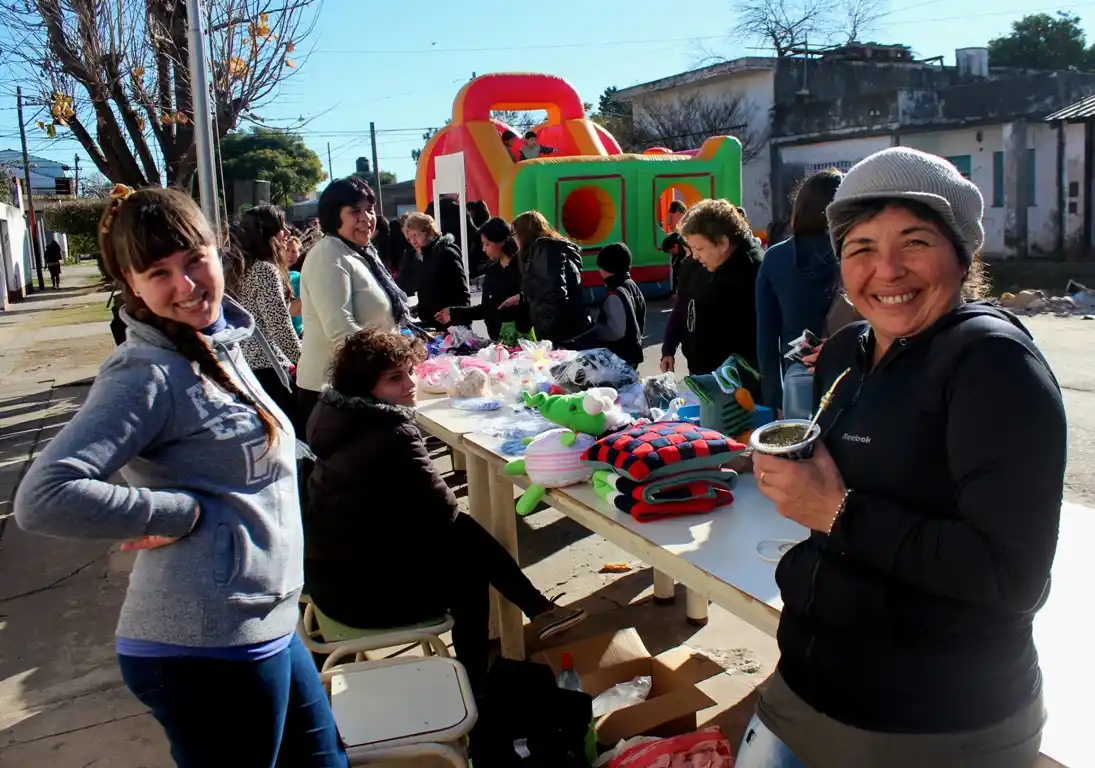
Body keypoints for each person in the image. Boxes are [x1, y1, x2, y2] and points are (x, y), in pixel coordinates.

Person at [738, 147, 1067, 768]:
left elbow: (1012, 578)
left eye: (914, 242)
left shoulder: (992, 367)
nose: (886, 270)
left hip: (928, 724)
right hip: (806, 684)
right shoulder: (845, 353)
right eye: (861, 247)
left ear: (962, 254)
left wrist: (836, 513)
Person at [13, 186, 346, 768]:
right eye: (159, 272)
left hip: (267, 622)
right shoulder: (144, 372)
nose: (187, 285)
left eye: (194, 260)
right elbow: (43, 497)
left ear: (219, 251)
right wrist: (174, 511)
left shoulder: (218, 341)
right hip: (205, 646)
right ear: (132, 285)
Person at [305, 327, 586, 693]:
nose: (410, 385)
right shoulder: (391, 434)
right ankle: (476, 682)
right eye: (395, 378)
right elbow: (446, 511)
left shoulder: (334, 418)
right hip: (360, 597)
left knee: (461, 540)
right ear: (363, 386)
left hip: (333, 577)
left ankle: (533, 612)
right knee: (467, 566)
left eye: (409, 372)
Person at [297, 177, 410, 425]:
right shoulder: (329, 254)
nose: (366, 218)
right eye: (354, 211)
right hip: (334, 394)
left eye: (369, 210)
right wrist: (389, 363)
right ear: (334, 215)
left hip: (366, 384)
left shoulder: (361, 251)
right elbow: (341, 330)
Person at [755, 169, 843, 417]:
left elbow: (766, 339)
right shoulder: (855, 252)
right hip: (852, 370)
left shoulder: (775, 257)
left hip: (798, 375)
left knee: (803, 451)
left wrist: (774, 398)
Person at [659, 199, 763, 376]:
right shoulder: (693, 264)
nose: (695, 256)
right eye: (691, 249)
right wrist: (668, 347)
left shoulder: (755, 273)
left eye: (699, 248)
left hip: (739, 381)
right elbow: (681, 305)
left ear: (723, 243)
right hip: (699, 370)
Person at [229, 205, 300, 421]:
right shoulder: (265, 271)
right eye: (282, 228)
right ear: (270, 234)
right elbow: (279, 327)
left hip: (249, 366)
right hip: (271, 369)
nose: (287, 233)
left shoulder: (241, 268)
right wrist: (304, 362)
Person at [512, 210, 596, 348]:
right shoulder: (554, 249)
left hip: (564, 335)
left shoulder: (543, 250)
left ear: (524, 234)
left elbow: (553, 293)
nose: (514, 239)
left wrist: (546, 336)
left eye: (515, 234)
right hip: (574, 329)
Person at [436, 217, 527, 341]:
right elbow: (485, 309)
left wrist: (520, 299)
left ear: (502, 241)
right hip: (497, 340)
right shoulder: (492, 270)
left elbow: (535, 300)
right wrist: (453, 313)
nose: (484, 249)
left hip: (524, 340)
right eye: (483, 244)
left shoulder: (523, 267)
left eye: (487, 244)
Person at [403, 212, 470, 331]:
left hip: (451, 328)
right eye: (410, 238)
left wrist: (459, 325)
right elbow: (432, 293)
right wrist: (420, 308)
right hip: (433, 326)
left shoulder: (446, 253)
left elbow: (462, 295)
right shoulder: (423, 257)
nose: (413, 241)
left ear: (429, 232)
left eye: (415, 235)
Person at [593, 243, 646, 368]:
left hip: (620, 357)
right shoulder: (631, 285)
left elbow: (616, 331)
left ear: (605, 267)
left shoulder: (614, 292)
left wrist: (594, 330)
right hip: (633, 351)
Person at [286, 236, 304, 337]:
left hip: (299, 331)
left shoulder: (298, 276)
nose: (289, 254)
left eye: (294, 251)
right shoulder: (274, 274)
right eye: (287, 250)